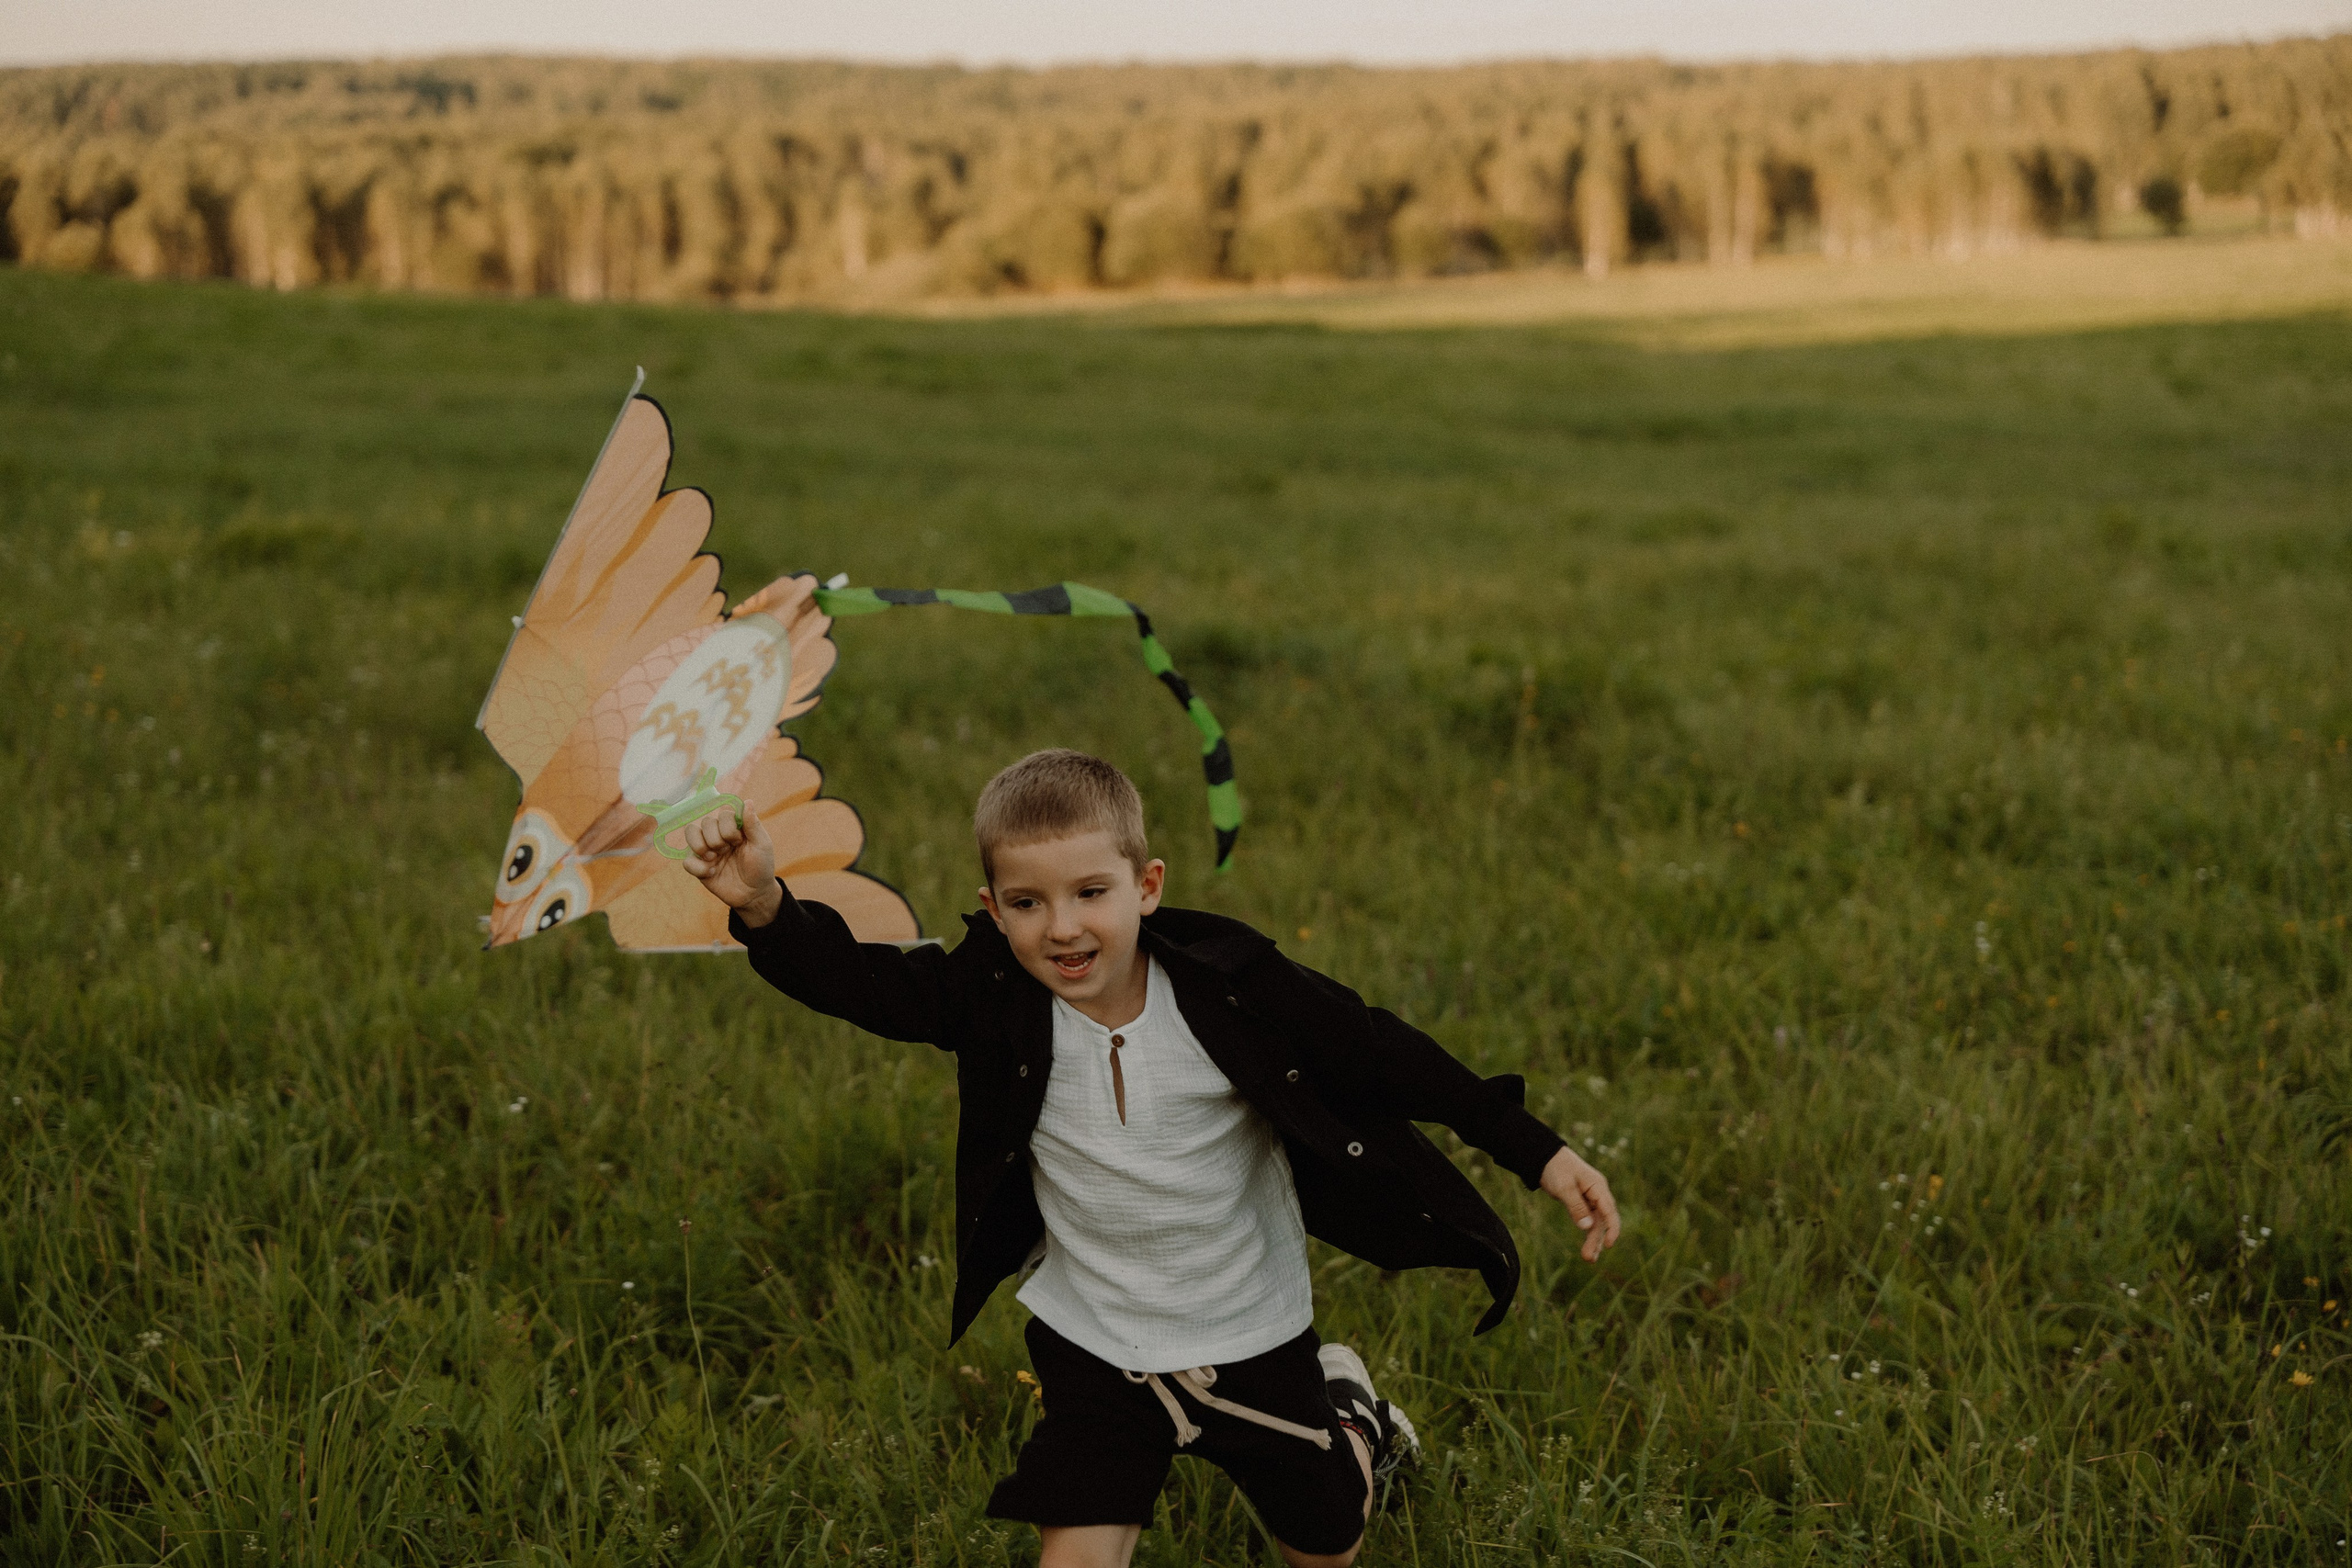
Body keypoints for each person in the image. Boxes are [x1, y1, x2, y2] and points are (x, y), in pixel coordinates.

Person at [682, 749, 1620, 1568]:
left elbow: (1386, 1053)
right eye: (1026, 902)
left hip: (1247, 1330)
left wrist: (1537, 1153)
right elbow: (865, 986)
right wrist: (764, 904)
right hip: (1095, 1340)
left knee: (1324, 1544)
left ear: (1148, 885)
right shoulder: (993, 994)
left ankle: (1353, 1418)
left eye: (1091, 893)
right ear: (992, 909)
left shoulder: (1231, 991)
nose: (1062, 928)